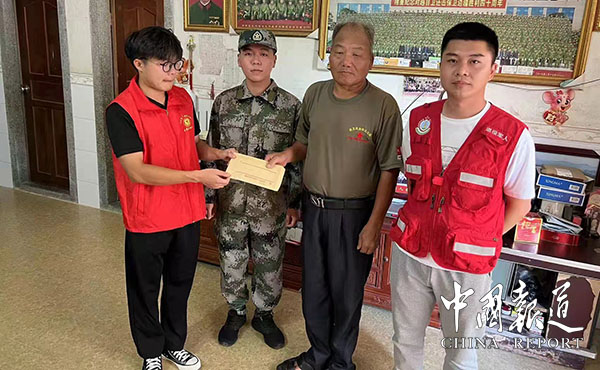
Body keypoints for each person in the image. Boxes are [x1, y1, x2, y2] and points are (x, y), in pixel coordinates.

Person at [390, 22, 536, 370]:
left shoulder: (513, 135)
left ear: (493, 69)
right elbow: (416, 185)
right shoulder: (418, 120)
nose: (462, 71)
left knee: (461, 352)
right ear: (441, 64)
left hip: (466, 266)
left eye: (475, 62)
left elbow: (520, 203)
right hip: (410, 255)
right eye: (453, 60)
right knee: (405, 340)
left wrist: (479, 236)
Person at [267, 21, 403, 370]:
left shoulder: (383, 105)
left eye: (357, 54)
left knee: (346, 294)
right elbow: (304, 144)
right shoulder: (315, 94)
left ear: (371, 60)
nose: (347, 60)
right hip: (314, 210)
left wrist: (374, 225)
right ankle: (318, 355)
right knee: (314, 289)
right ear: (329, 56)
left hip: (355, 215)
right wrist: (286, 156)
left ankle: (341, 363)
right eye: (339, 52)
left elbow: (389, 169)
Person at [105, 26, 235, 370]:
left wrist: (216, 153)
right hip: (148, 217)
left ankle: (174, 344)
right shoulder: (121, 110)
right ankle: (150, 351)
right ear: (139, 64)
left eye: (177, 64)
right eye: (164, 65)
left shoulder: (182, 99)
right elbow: (137, 171)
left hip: (187, 212)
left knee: (180, 284)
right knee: (145, 289)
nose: (173, 72)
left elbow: (191, 144)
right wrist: (197, 176)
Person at [205, 29, 302, 350]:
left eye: (263, 54)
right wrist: (209, 196)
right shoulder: (224, 102)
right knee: (231, 261)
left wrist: (295, 203)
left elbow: (298, 159)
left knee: (270, 265)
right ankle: (235, 311)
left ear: (274, 60)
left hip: (271, 207)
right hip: (230, 202)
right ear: (239, 59)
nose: (256, 61)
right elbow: (211, 149)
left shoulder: (291, 106)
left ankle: (264, 314)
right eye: (249, 54)